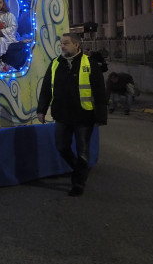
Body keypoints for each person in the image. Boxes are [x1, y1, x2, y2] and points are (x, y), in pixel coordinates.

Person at [37, 32, 108, 197]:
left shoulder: (89, 63)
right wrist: (41, 109)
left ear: (76, 45)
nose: (62, 46)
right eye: (61, 43)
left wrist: (100, 117)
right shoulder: (55, 64)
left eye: (66, 43)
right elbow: (46, 89)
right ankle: (79, 170)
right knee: (61, 146)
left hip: (84, 115)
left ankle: (78, 183)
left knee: (83, 150)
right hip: (62, 115)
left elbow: (99, 92)